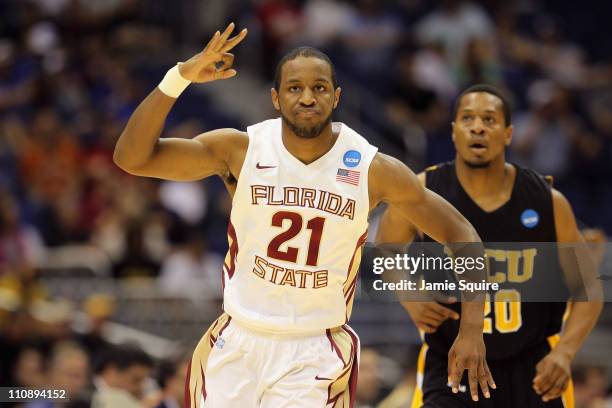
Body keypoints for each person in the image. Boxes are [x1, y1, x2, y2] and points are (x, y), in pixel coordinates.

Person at [113, 23, 493, 407]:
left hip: (315, 349)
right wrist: (179, 77)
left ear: (336, 96)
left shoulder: (371, 168)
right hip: (237, 339)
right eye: (295, 88)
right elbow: (132, 158)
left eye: (319, 88)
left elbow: (461, 232)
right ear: (276, 98)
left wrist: (473, 328)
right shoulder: (240, 150)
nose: (307, 97)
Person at [377, 84, 603, 407]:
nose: (478, 127)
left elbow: (589, 289)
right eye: (467, 119)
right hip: (452, 363)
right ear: (454, 132)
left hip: (532, 365)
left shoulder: (547, 201)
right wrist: (408, 293)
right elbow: (384, 251)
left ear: (509, 133)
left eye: (489, 119)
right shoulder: (424, 190)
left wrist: (566, 351)